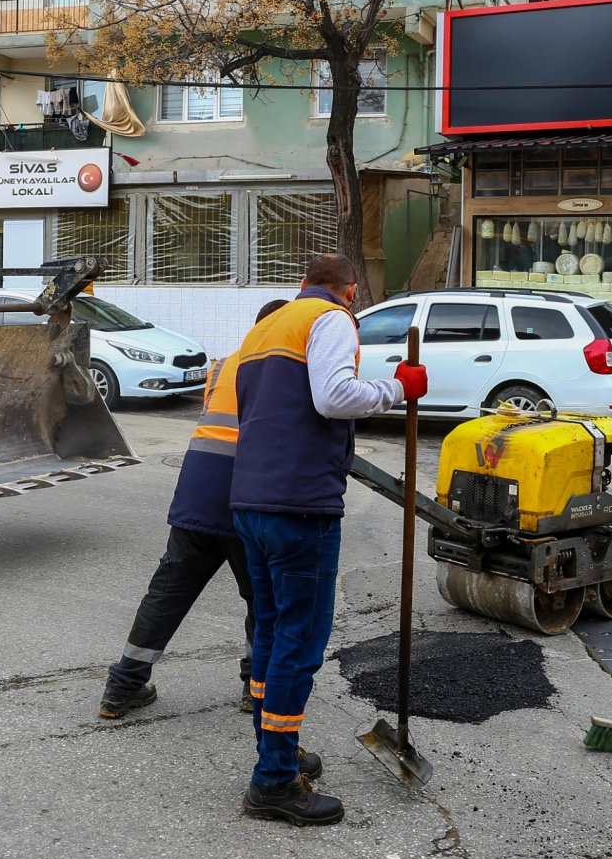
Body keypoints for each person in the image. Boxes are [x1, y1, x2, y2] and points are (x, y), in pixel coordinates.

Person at [231, 253, 427, 826]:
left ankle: (278, 753)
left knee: (270, 633)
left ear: (300, 283)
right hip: (300, 506)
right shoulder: (333, 318)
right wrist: (397, 386)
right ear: (350, 290)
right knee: (299, 641)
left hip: (251, 502)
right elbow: (334, 397)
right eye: (354, 297)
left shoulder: (266, 328)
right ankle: (272, 783)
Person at [98, 299, 290, 722]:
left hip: (199, 491)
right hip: (248, 497)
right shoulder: (286, 369)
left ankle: (123, 686)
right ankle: (252, 687)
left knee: (168, 593)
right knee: (263, 598)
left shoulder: (223, 365)